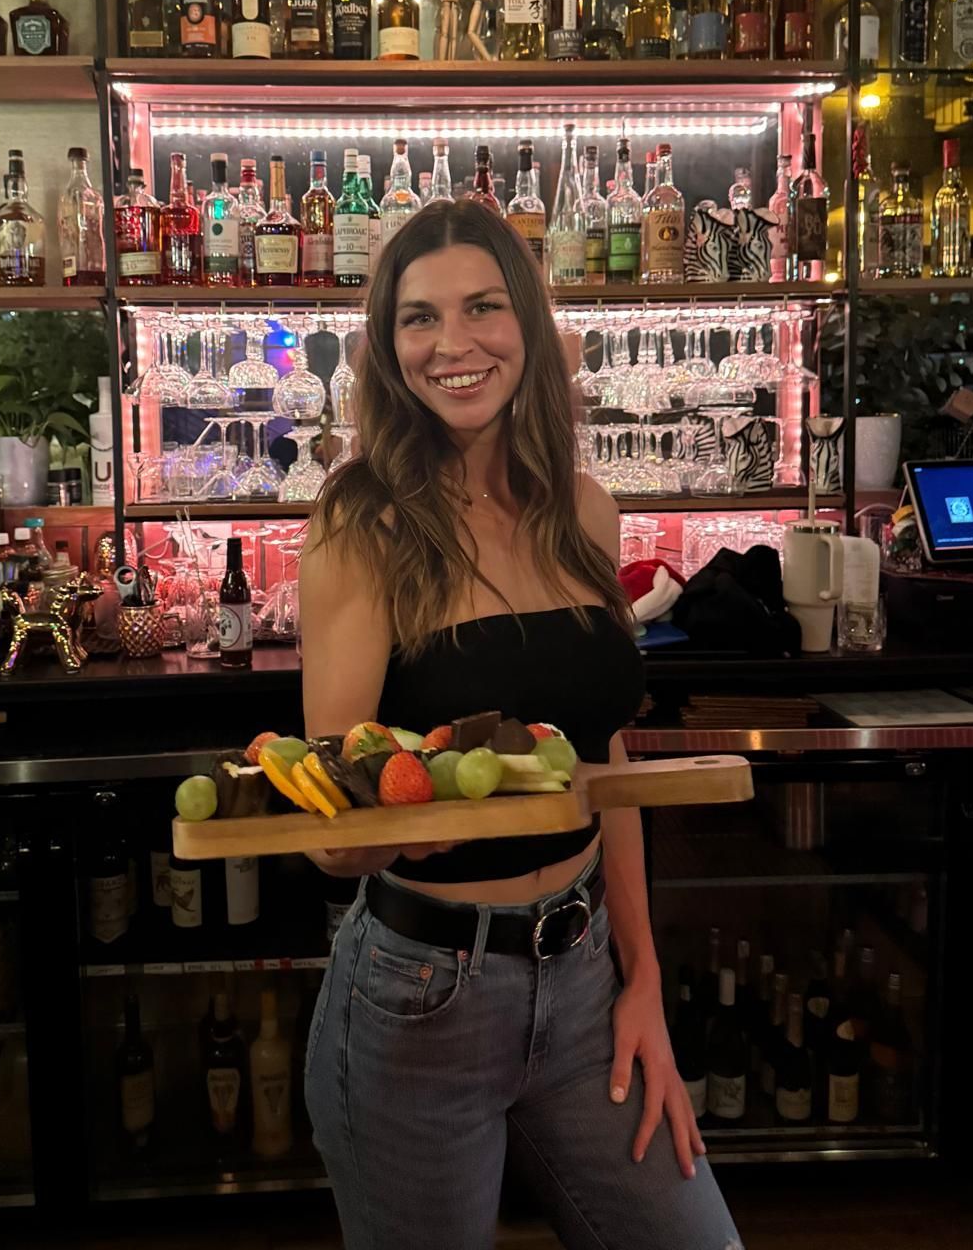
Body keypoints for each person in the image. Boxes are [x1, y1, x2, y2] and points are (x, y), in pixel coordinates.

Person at [299, 201, 742, 1250]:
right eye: (419, 318)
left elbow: (607, 762)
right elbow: (327, 818)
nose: (453, 344)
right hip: (420, 995)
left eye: (483, 307)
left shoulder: (582, 509)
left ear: (529, 327)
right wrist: (401, 820)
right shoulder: (362, 524)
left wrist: (645, 986)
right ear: (386, 344)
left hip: (584, 975)